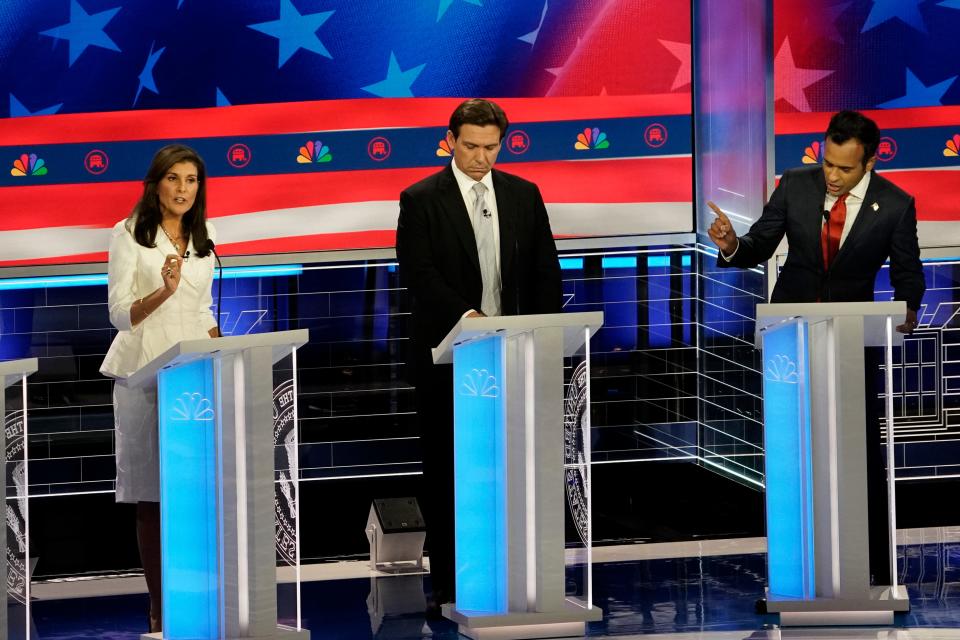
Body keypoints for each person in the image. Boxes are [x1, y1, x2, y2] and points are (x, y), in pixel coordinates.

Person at [707, 110, 925, 587]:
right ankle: (795, 567)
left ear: (869, 162)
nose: (831, 175)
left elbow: (909, 272)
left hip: (853, 343)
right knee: (793, 450)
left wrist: (907, 311)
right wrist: (730, 245)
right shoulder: (795, 185)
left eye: (844, 168)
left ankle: (873, 569)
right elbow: (760, 244)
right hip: (791, 338)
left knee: (860, 452)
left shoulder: (895, 204)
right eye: (827, 163)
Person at [396, 98, 563, 613]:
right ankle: (449, 584)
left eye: (491, 147)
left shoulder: (523, 195)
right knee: (448, 468)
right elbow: (418, 273)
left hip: (512, 357)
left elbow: (544, 272)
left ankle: (517, 574)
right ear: (450, 140)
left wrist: (541, 335)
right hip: (448, 356)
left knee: (513, 465)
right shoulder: (421, 198)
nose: (480, 157)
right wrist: (467, 316)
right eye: (471, 146)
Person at [100, 144, 220, 632]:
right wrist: (163, 291)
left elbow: (203, 309)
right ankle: (160, 608)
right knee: (154, 495)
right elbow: (118, 314)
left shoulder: (205, 235)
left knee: (197, 491)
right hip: (145, 371)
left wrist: (222, 356)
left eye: (191, 180)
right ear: (155, 185)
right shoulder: (128, 235)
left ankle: (199, 599)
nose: (183, 189)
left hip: (194, 373)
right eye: (174, 179)